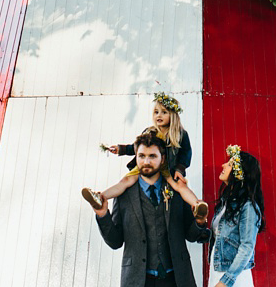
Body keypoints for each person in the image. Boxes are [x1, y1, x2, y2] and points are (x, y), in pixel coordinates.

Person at [93, 130, 210, 287]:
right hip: (136, 286)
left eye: (152, 156)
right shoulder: (123, 194)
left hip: (174, 284)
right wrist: (103, 214)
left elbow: (191, 235)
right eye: (141, 156)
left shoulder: (177, 191)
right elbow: (115, 241)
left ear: (162, 159)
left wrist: (200, 222)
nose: (146, 161)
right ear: (136, 158)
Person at [82, 93, 208, 221]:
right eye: (156, 112)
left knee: (180, 185)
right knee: (126, 181)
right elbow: (137, 147)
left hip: (167, 167)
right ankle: (100, 197)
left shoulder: (179, 134)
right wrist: (122, 149)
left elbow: (186, 153)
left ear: (173, 115)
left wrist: (180, 169)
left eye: (164, 112)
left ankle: (197, 205)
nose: (159, 115)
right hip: (148, 164)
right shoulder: (150, 132)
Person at [208, 145, 265, 287]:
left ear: (239, 173)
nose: (223, 166)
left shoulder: (247, 207)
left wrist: (226, 281)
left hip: (234, 279)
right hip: (217, 273)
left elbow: (247, 246)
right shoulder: (225, 204)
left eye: (230, 164)